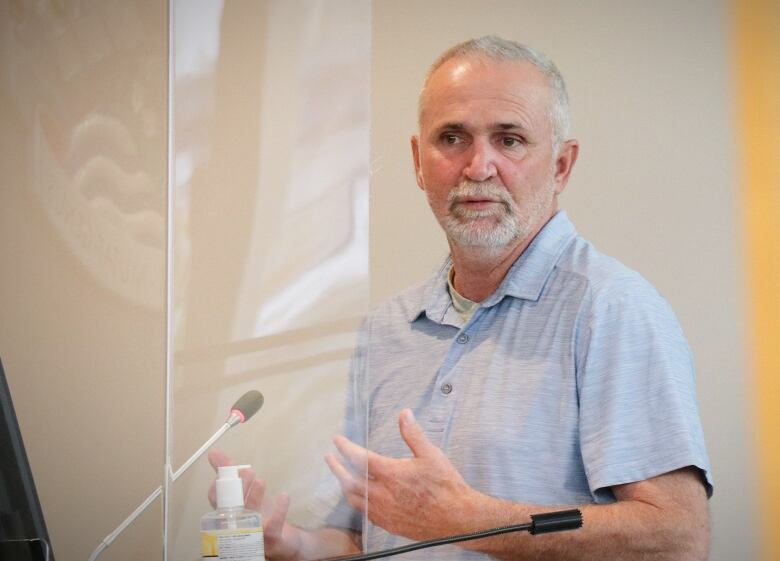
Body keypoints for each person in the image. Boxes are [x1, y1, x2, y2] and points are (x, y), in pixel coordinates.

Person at [209, 35, 713, 561]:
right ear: (417, 161)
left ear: (562, 166)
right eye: (452, 138)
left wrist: (465, 520)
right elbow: (367, 538)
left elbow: (676, 536)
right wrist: (290, 544)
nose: (478, 167)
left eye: (510, 140)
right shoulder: (386, 329)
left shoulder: (611, 308)